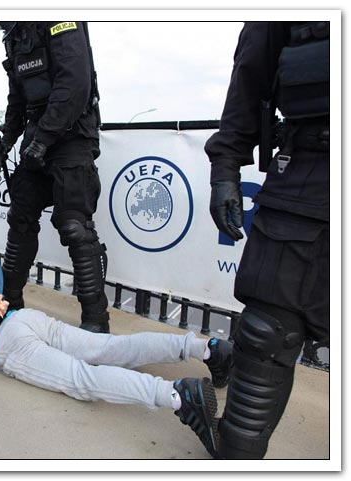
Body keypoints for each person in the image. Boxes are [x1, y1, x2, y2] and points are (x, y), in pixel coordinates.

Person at [0, 258, 233, 458]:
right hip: (23, 318)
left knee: (82, 380)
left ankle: (177, 396)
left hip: (4, 343)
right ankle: (204, 348)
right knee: (108, 348)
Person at [204, 21, 329, 459]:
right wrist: (225, 169)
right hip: (311, 169)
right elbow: (250, 77)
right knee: (265, 334)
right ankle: (237, 457)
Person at [0, 22, 110, 334]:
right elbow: (17, 97)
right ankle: (10, 304)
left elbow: (74, 84)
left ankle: (96, 320)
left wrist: (43, 139)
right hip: (37, 135)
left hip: (72, 135)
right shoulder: (15, 38)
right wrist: (7, 139)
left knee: (75, 227)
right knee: (20, 219)